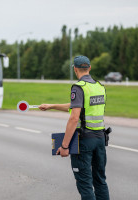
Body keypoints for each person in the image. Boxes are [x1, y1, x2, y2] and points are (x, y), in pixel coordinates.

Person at [39, 55, 110, 200]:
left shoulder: (78, 88)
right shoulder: (99, 86)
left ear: (75, 69)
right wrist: (52, 106)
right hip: (100, 140)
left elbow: (74, 117)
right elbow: (77, 106)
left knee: (85, 184)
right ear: (89, 68)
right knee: (100, 181)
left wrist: (64, 146)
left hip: (85, 142)